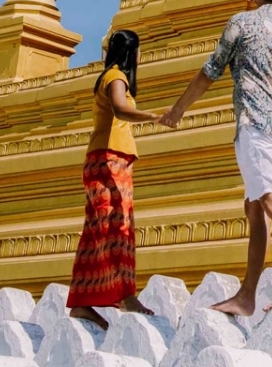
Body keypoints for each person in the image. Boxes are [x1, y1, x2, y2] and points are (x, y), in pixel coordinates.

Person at [163, 0, 272, 313]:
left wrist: (178, 109)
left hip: (257, 126)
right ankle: (247, 295)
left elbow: (209, 72)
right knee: (254, 206)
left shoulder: (242, 24)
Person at [67, 28, 163, 329]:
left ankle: (84, 302)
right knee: (117, 230)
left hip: (107, 162)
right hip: (108, 163)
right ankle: (125, 296)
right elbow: (121, 110)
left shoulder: (112, 76)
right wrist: (155, 116)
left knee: (100, 232)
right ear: (132, 52)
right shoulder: (116, 77)